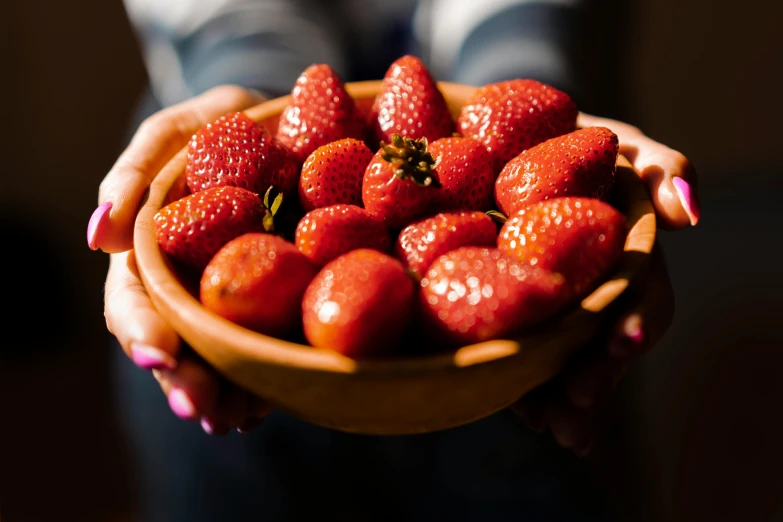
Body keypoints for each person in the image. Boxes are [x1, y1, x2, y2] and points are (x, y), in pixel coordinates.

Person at [88, 1, 701, 520]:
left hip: (513, 357)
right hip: (243, 339)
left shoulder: (495, 205)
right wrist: (252, 101)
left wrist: (515, 91)